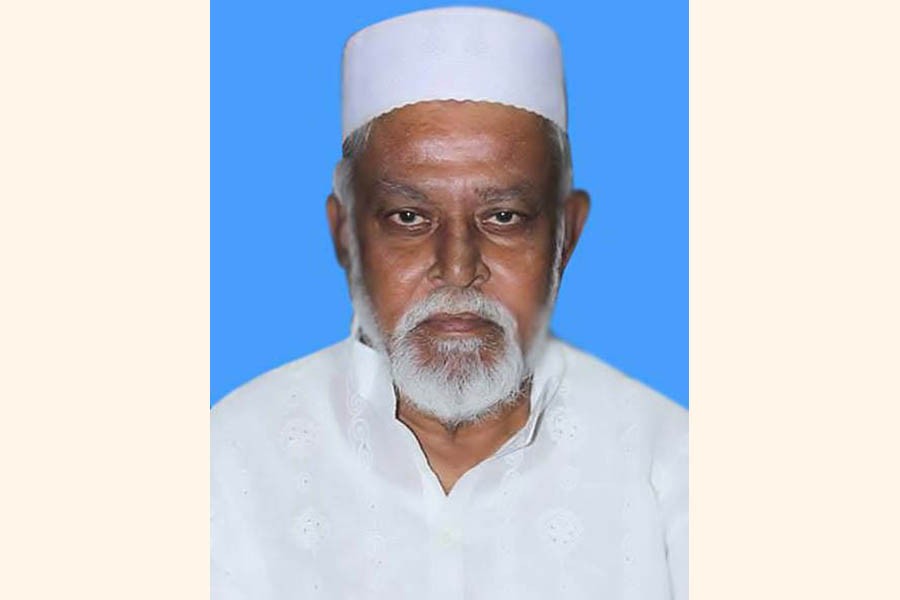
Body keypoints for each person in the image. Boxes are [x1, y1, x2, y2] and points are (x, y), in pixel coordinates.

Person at [212, 7, 687, 599]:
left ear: (567, 235)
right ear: (345, 236)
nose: (458, 268)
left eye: (503, 217)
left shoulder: (670, 466)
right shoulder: (229, 460)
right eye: (409, 218)